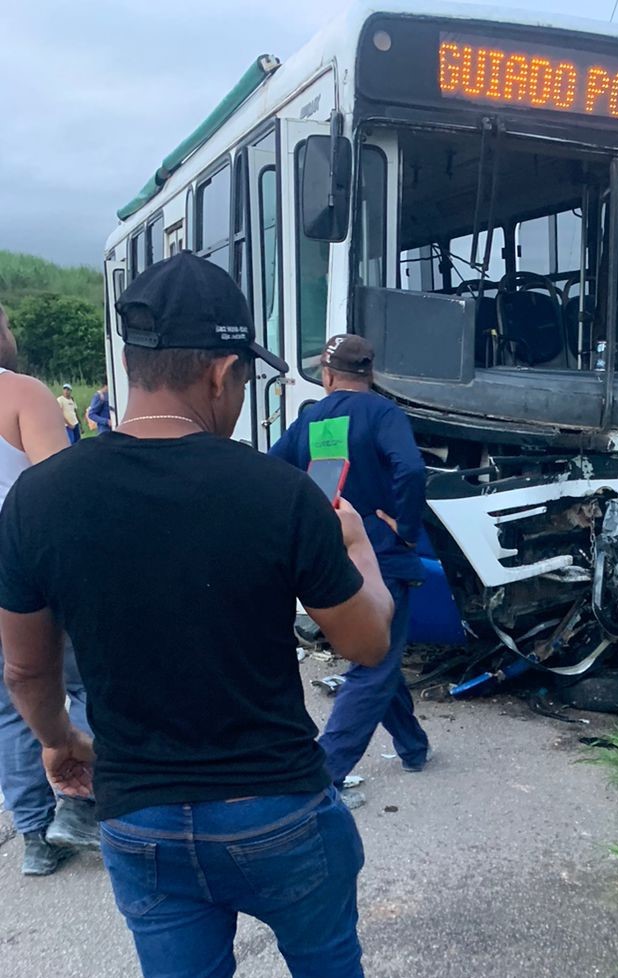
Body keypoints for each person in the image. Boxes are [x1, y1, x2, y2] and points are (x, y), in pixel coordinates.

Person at [0, 253, 393, 978]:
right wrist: (362, 548)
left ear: (131, 361)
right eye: (243, 378)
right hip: (277, 808)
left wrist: (59, 740)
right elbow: (367, 642)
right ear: (221, 373)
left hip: (140, 816)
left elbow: (25, 667)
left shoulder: (38, 498)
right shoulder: (280, 495)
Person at [270, 334, 429, 807]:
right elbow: (412, 469)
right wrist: (407, 526)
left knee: (379, 652)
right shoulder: (383, 413)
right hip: (382, 554)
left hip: (332, 559)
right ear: (371, 374)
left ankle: (413, 746)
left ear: (326, 373)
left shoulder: (310, 419)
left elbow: (274, 470)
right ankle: (324, 774)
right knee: (376, 663)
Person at [0, 303, 100, 876]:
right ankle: (79, 806)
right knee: (80, 681)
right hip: (27, 573)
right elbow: (56, 488)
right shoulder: (22, 394)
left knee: (11, 711)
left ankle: (35, 838)